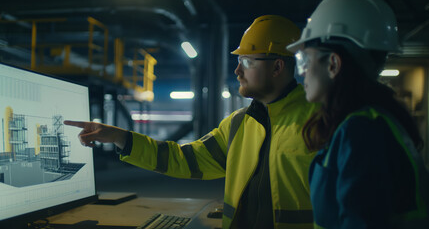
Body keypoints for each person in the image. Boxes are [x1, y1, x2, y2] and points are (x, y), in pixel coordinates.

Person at [65, 15, 319, 229]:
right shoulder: (238, 124)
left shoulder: (319, 123)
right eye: (238, 61)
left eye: (247, 61)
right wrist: (121, 138)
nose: (237, 71)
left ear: (277, 67)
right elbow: (184, 159)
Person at [286, 0, 429, 228]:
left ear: (333, 64)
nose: (302, 72)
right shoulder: (371, 122)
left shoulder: (361, 132)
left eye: (305, 61)